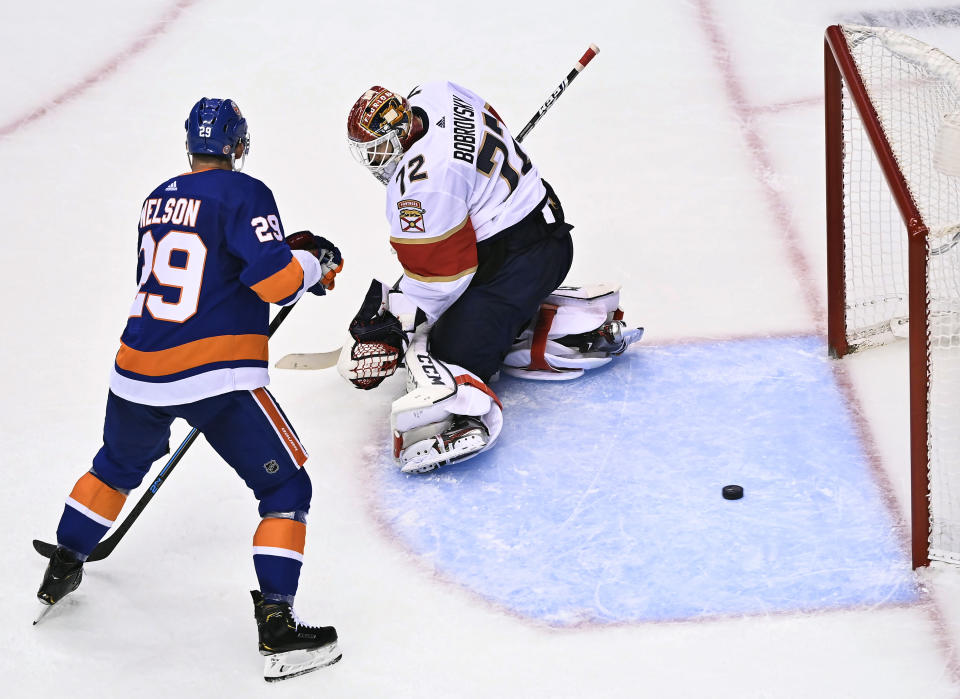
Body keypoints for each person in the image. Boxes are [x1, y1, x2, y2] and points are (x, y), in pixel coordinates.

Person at [36, 97, 344, 682]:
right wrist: (310, 262)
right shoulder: (245, 191)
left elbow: (194, 273)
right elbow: (276, 282)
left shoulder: (157, 198)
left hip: (134, 371)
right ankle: (278, 625)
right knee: (287, 491)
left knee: (112, 469)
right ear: (236, 144)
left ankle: (64, 561)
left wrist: (285, 257)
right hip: (215, 377)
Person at [338, 83, 642, 474]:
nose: (376, 161)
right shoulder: (435, 92)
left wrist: (395, 328)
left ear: (399, 134)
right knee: (439, 313)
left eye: (379, 148)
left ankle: (476, 405)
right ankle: (534, 323)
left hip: (521, 263)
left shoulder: (419, 185)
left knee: (442, 351)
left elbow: (443, 276)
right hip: (545, 226)